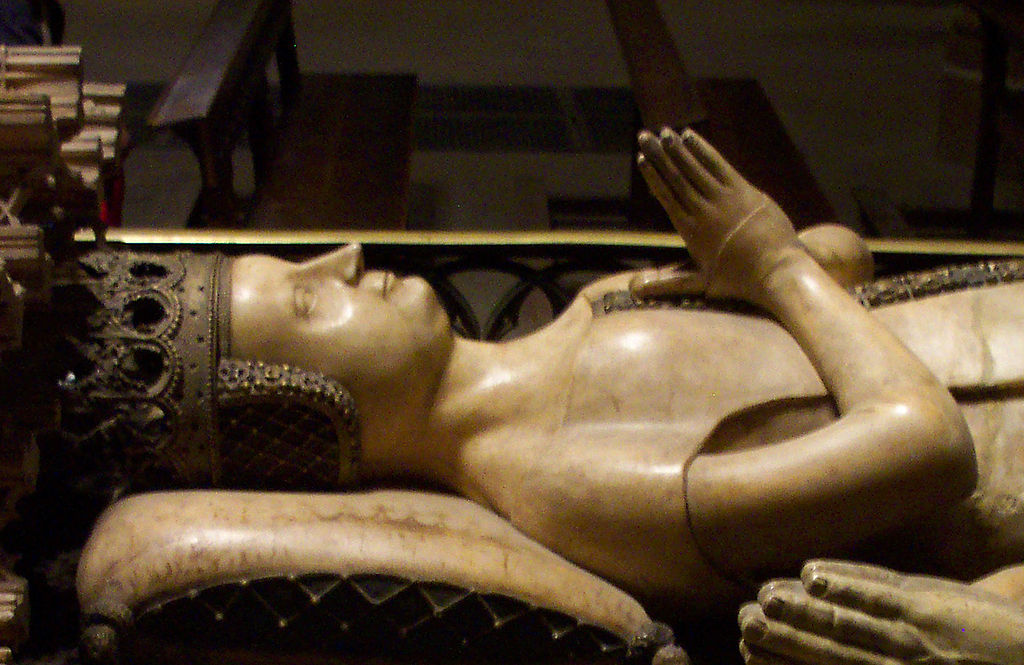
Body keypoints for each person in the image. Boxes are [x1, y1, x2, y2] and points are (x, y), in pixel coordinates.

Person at [225, 128, 1022, 619]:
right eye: (307, 299)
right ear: (309, 408)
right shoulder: (562, 479)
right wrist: (777, 266)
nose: (345, 258)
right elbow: (930, 450)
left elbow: (846, 268)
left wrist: (778, 257)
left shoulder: (585, 309)